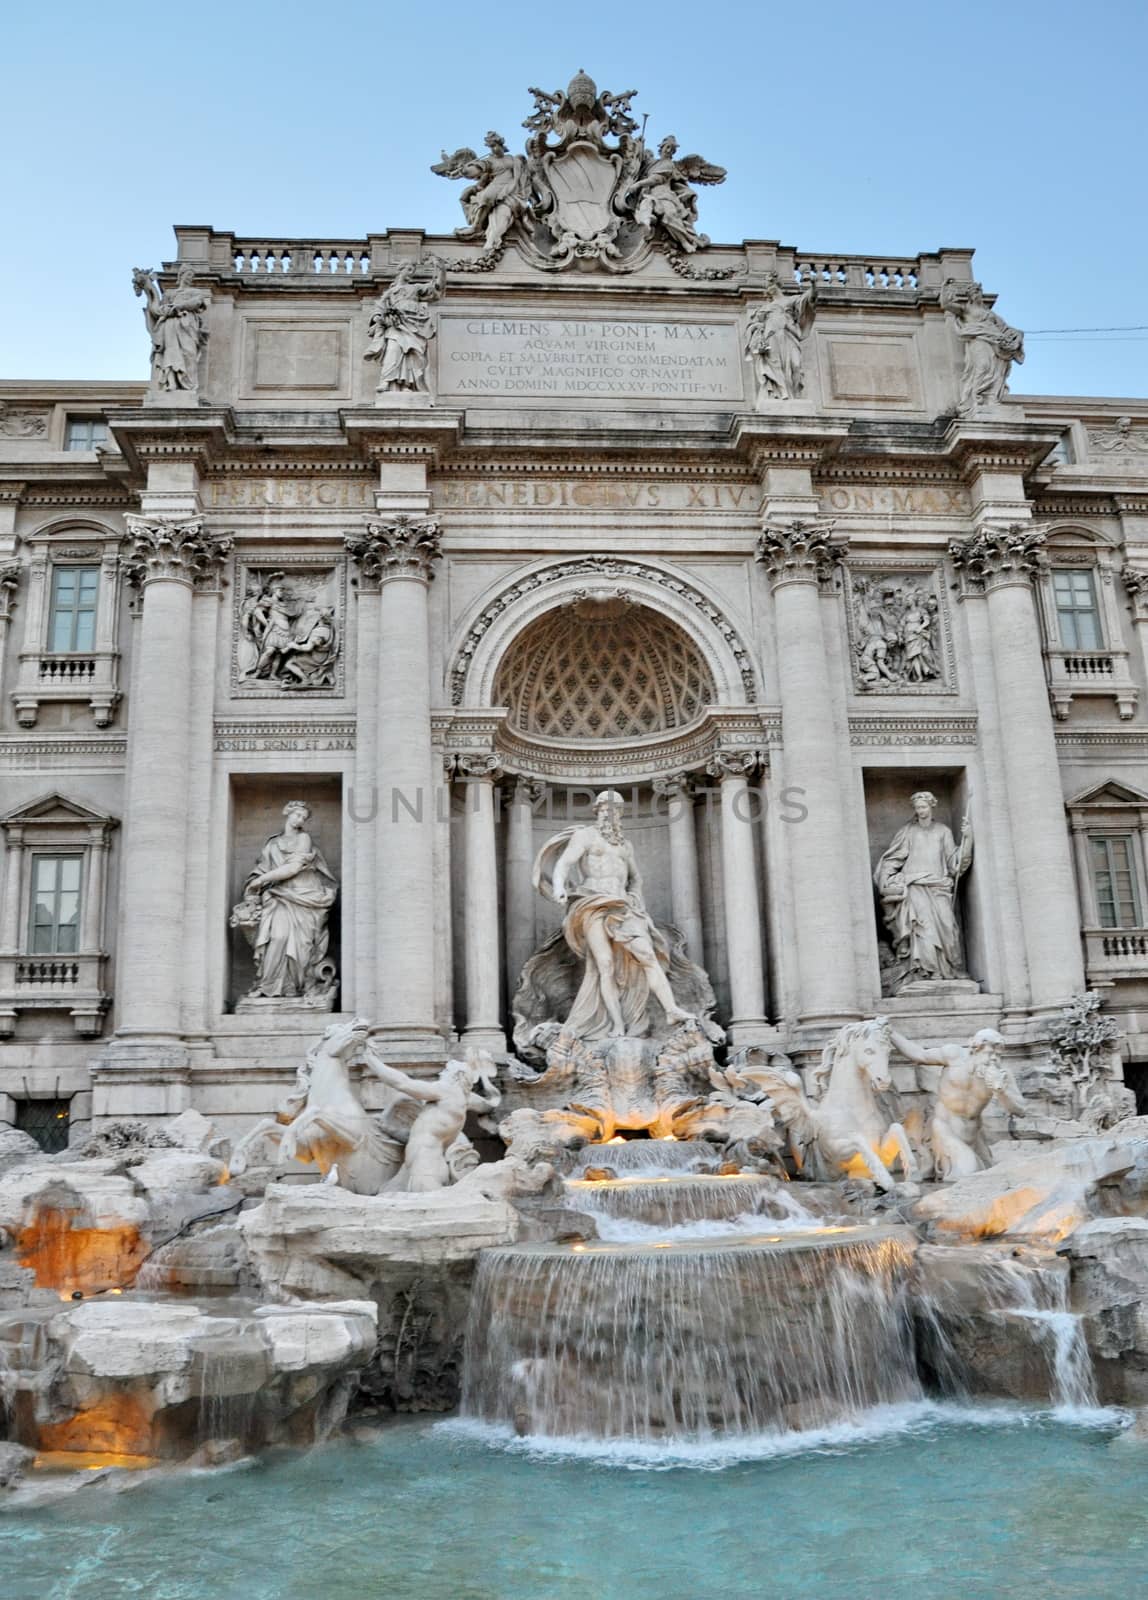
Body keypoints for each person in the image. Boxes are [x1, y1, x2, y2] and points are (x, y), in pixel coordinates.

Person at [533, 790, 692, 1040]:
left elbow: (636, 878)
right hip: (592, 902)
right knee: (603, 964)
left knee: (648, 955)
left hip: (623, 906)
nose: (610, 813)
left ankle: (671, 1009)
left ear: (620, 813)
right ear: (597, 811)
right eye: (605, 808)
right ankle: (617, 1025)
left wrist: (636, 897)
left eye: (615, 809)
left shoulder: (624, 845)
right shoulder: (585, 835)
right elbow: (564, 863)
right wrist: (559, 887)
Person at [233, 801, 338, 999]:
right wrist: (255, 883)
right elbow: (261, 870)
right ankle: (268, 986)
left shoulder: (304, 838)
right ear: (287, 813)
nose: (300, 820)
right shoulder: (272, 844)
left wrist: (262, 881)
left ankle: (293, 988)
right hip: (278, 897)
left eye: (303, 818)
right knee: (278, 937)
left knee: (302, 945)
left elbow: (293, 868)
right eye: (297, 815)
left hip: (304, 898)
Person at [874, 791, 972, 983]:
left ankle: (948, 969)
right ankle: (928, 973)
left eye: (924, 807)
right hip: (916, 887)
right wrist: (886, 878)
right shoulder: (908, 832)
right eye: (918, 808)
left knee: (949, 929)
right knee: (923, 930)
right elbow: (893, 858)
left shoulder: (943, 831)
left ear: (931, 806)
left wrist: (967, 840)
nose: (920, 811)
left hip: (939, 887)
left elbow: (954, 863)